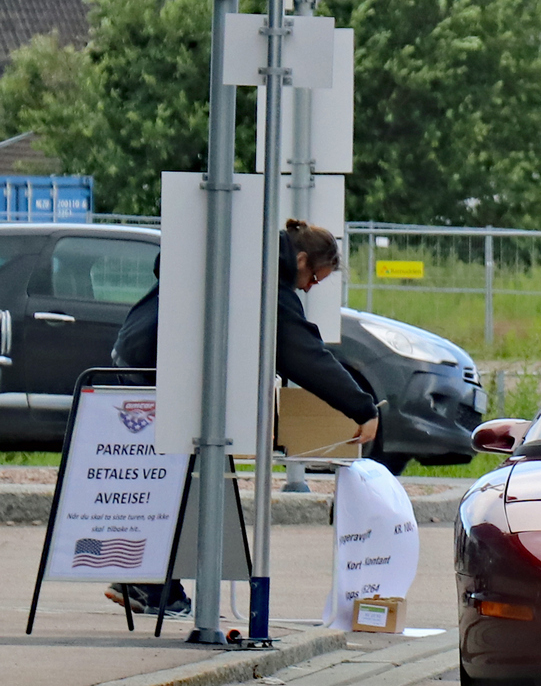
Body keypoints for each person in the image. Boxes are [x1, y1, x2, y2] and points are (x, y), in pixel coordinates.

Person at [105, 220, 382, 618]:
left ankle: (147, 581)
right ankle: (148, 584)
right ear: (301, 260)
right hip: (160, 370)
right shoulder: (268, 283)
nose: (309, 288)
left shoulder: (241, 250)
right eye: (314, 278)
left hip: (135, 352)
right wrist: (363, 408)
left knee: (164, 478)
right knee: (180, 479)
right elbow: (304, 355)